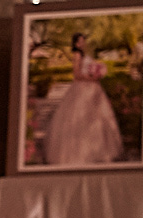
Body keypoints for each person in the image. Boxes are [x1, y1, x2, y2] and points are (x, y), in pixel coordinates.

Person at [44, 33, 123, 165]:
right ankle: (81, 153)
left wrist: (97, 72)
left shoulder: (84, 54)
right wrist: (91, 78)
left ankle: (97, 150)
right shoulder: (77, 54)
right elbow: (76, 74)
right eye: (80, 41)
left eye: (83, 41)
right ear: (76, 43)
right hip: (83, 88)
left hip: (93, 88)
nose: (83, 43)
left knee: (96, 118)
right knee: (81, 117)